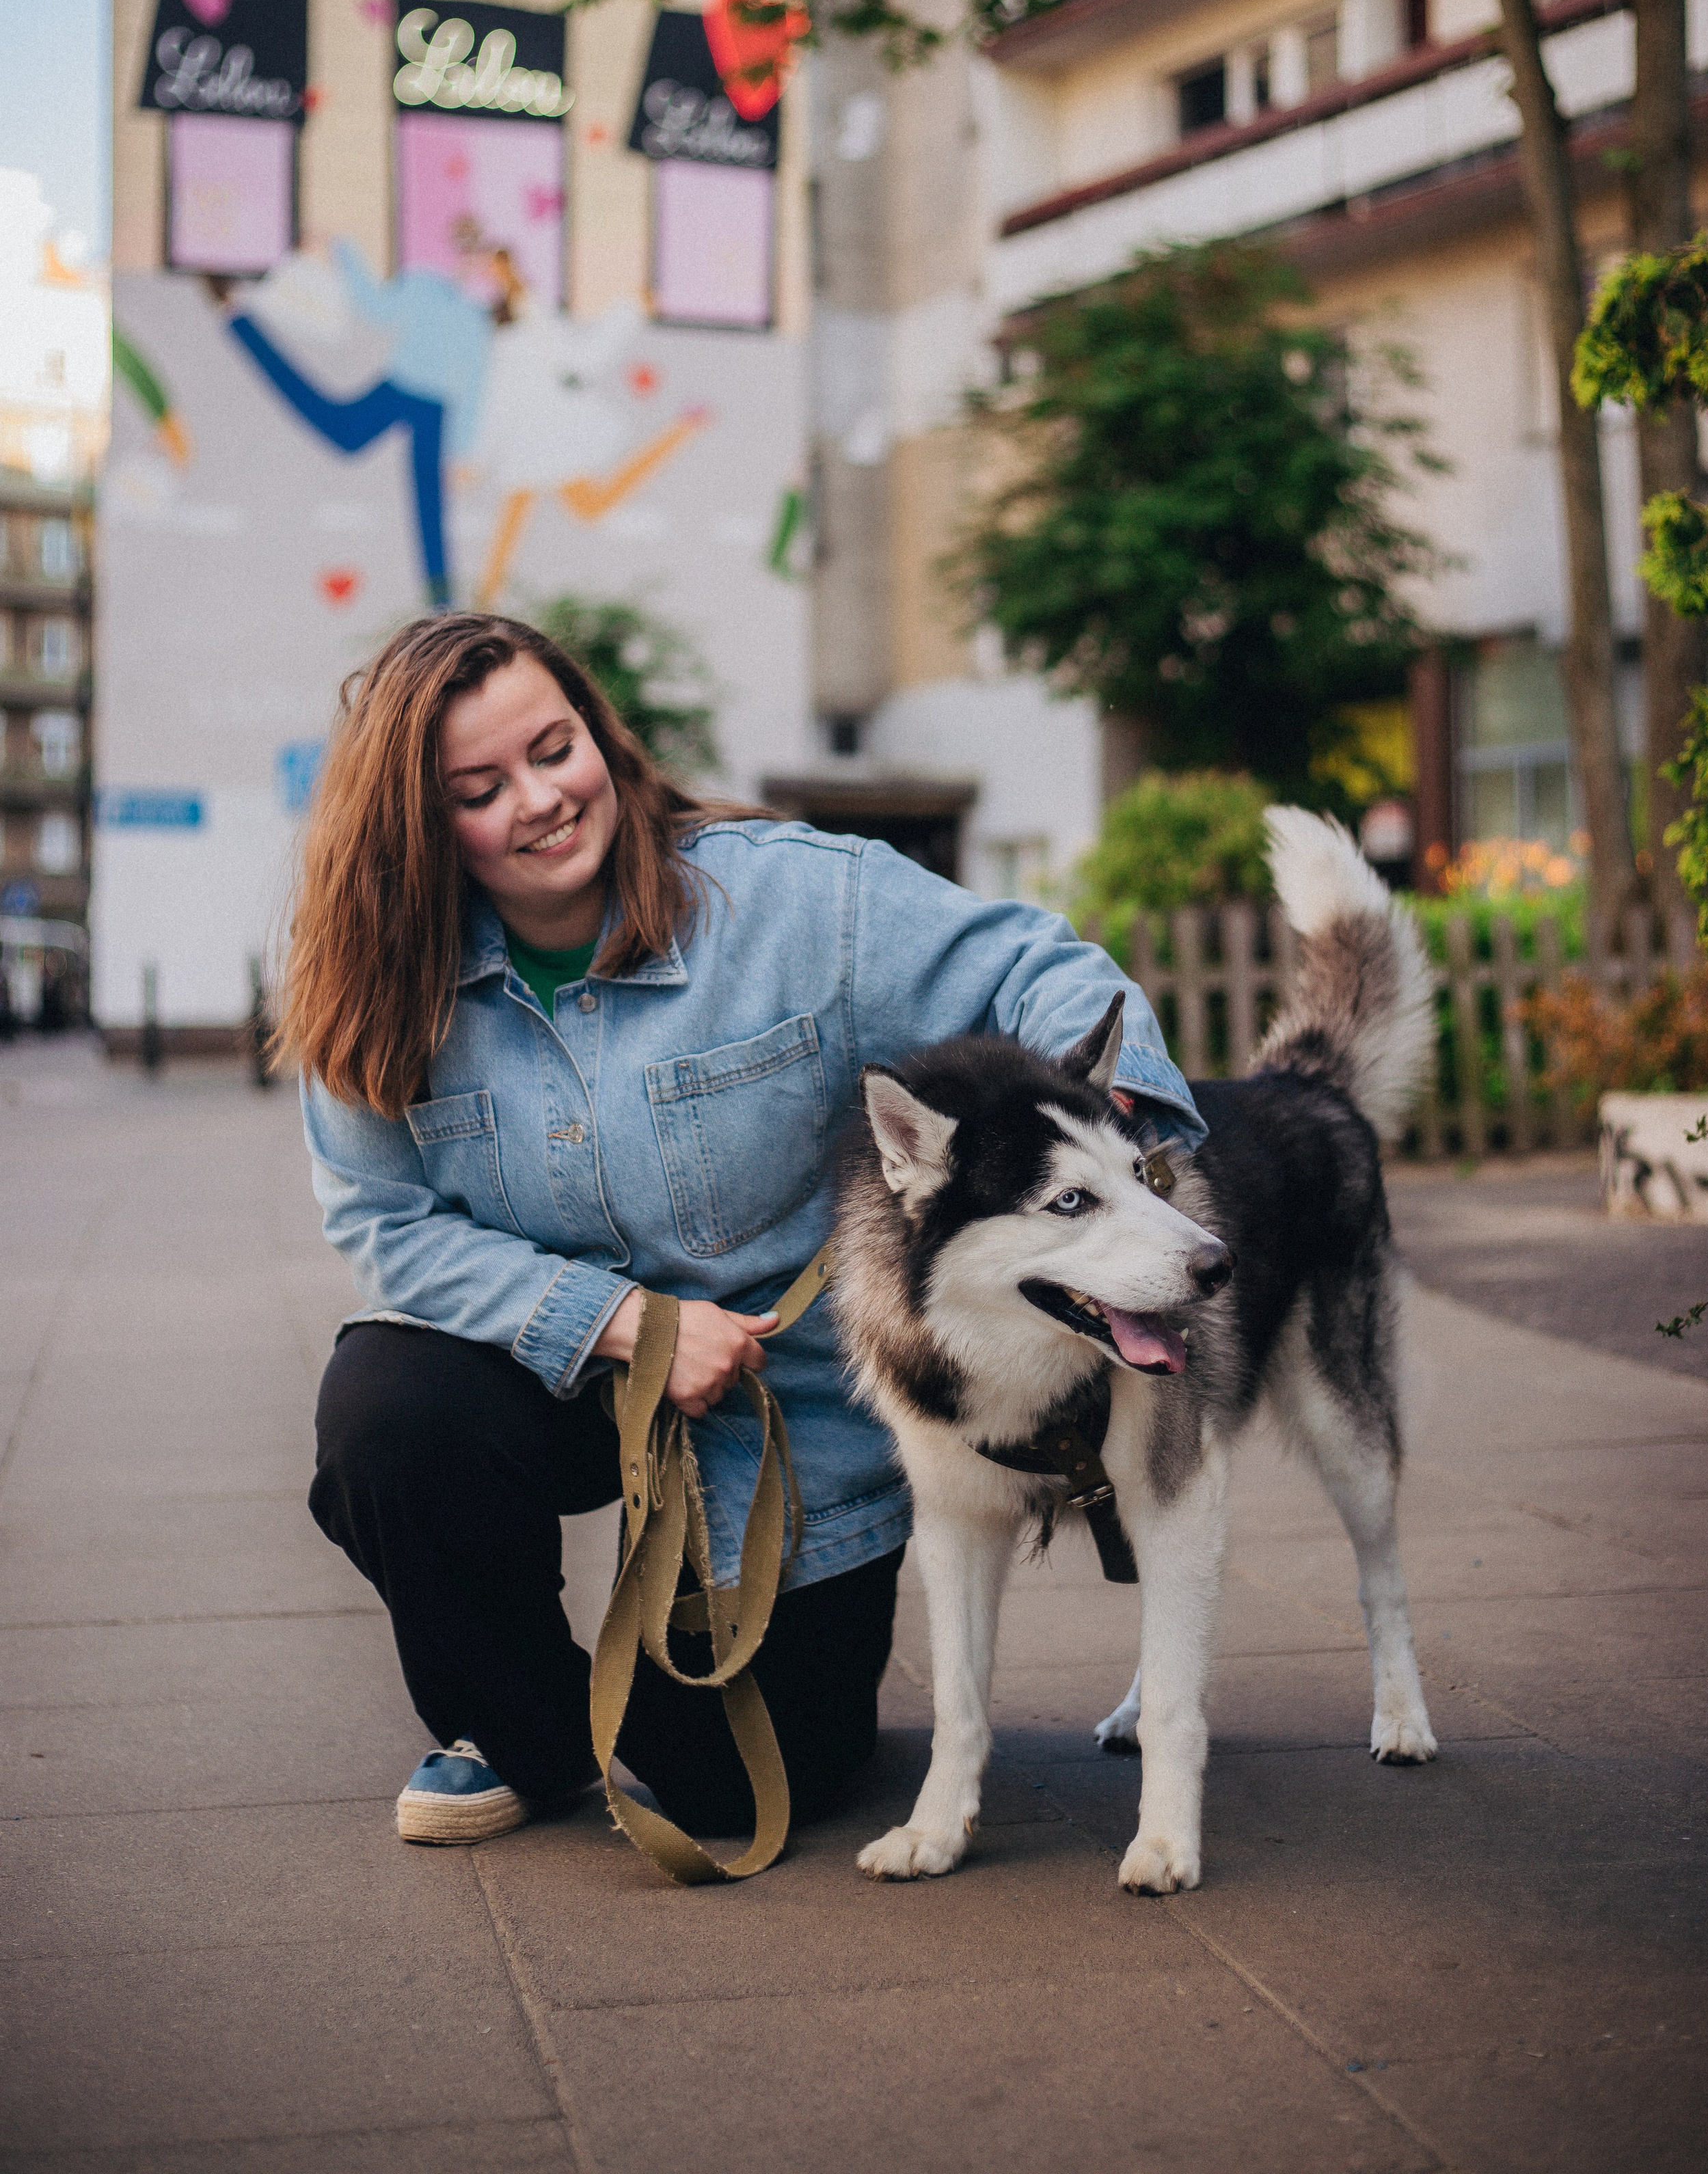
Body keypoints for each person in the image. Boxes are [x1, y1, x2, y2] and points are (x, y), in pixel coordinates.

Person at [280, 612, 1202, 1848]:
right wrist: (625, 1324)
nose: (542, 801)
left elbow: (1043, 967)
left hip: (787, 1428)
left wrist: (1114, 1136)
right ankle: (521, 1732)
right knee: (388, 1413)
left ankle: (678, 1709)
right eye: (480, 789)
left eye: (555, 750)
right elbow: (384, 1223)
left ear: (599, 733)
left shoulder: (796, 902)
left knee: (723, 1791)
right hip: (543, 1374)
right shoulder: (375, 971)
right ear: (417, 826)